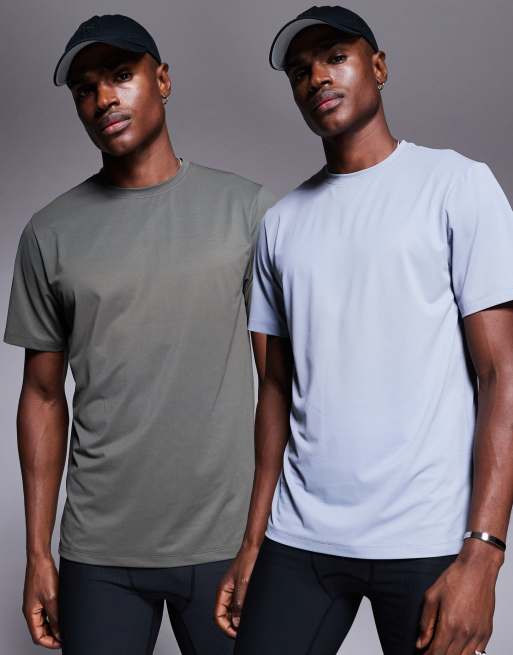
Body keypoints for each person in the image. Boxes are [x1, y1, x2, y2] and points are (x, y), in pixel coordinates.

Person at [214, 6, 513, 655]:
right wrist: (252, 543)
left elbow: (502, 375)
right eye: (300, 71)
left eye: (334, 57)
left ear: (377, 66)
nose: (317, 77)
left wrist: (484, 554)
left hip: (426, 536)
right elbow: (273, 393)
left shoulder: (456, 185)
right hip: (300, 538)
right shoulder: (281, 225)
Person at [3, 13, 275, 655]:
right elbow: (41, 395)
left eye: (121, 75)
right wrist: (38, 554)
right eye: (85, 89)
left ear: (163, 80)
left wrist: (263, 536)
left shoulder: (246, 211)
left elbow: (279, 385)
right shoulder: (49, 233)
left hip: (225, 544)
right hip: (99, 552)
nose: (103, 98)